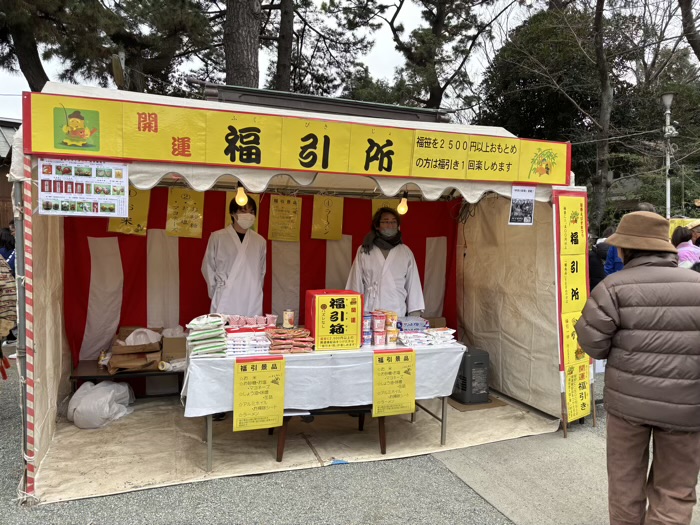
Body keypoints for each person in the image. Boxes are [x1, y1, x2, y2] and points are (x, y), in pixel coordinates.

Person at [575, 211, 700, 525]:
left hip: (627, 404)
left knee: (624, 485)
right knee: (675, 489)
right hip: (687, 406)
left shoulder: (612, 288)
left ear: (623, 249)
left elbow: (593, 343)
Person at [346, 207, 425, 316]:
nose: (390, 225)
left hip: (397, 311)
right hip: (370, 310)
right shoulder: (364, 250)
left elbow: (413, 284)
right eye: (386, 222)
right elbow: (355, 282)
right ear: (377, 226)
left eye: (393, 222)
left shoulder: (405, 251)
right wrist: (352, 311)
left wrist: (414, 315)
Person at [201, 197, 266, 316]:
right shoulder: (218, 237)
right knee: (224, 329)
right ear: (232, 213)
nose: (248, 215)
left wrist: (256, 288)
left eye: (251, 212)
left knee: (250, 331)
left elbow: (261, 271)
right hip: (226, 294)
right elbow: (208, 267)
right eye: (243, 211)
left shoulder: (260, 241)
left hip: (251, 295)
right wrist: (215, 291)